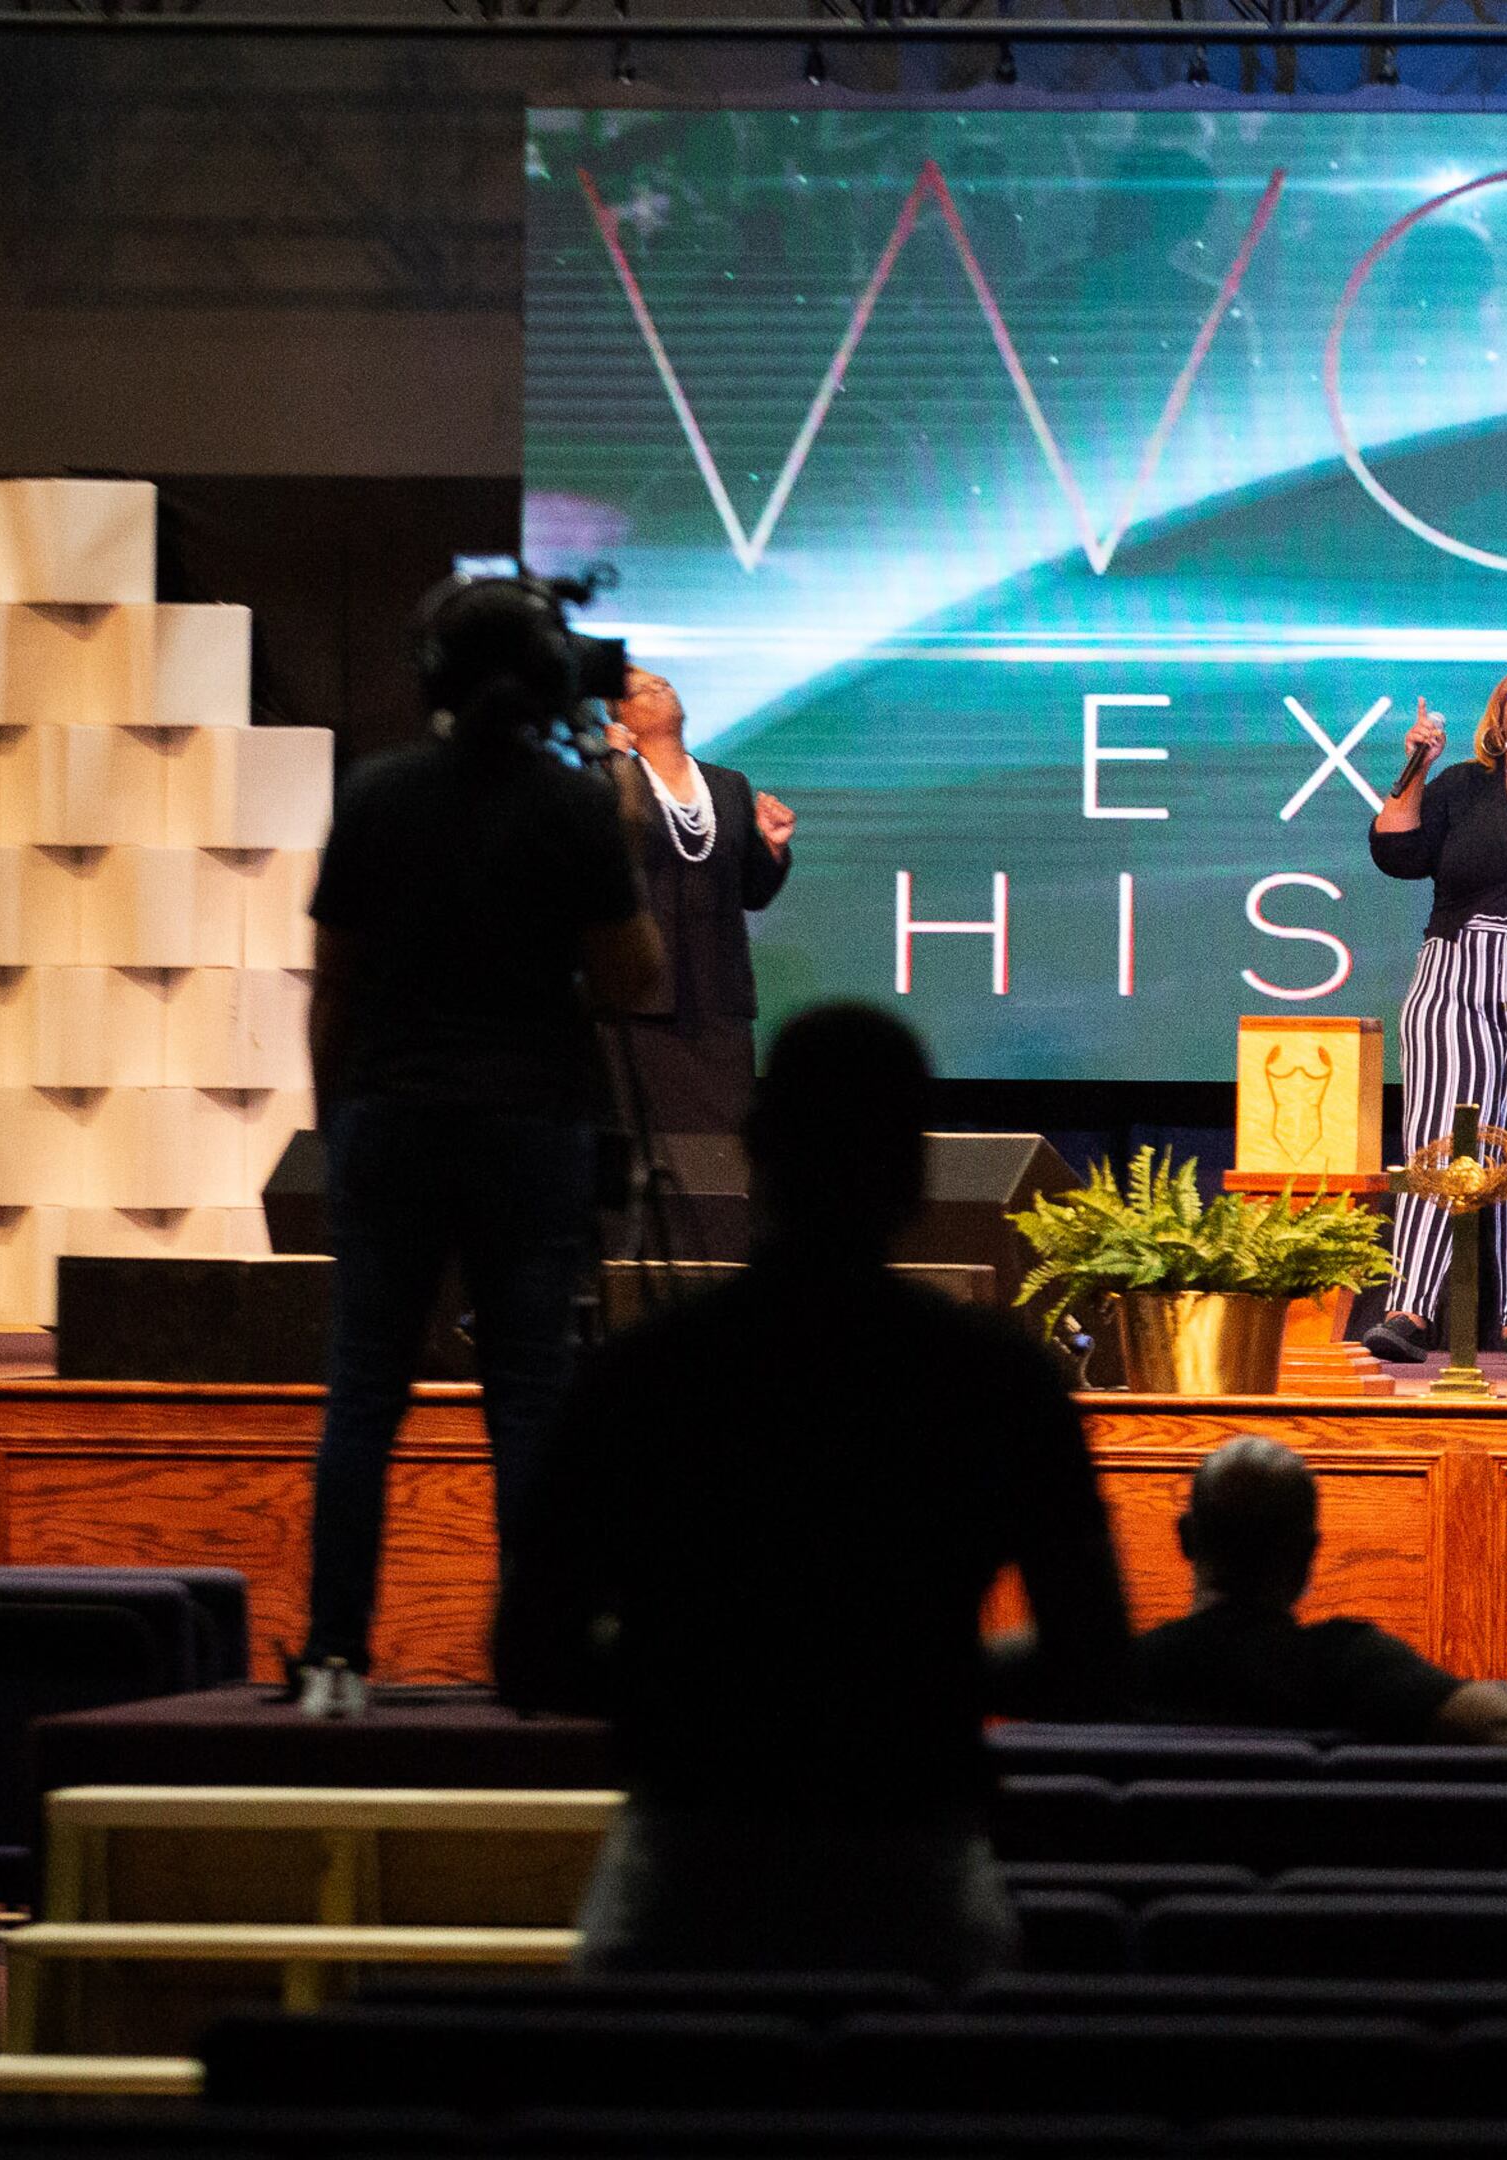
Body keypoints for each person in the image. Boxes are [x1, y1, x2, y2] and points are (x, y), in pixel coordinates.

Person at [497, 1004, 1131, 1985]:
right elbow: (1092, 1656)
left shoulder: (646, 1371)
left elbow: (529, 1654)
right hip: (909, 1851)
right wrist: (917, 1673)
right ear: (917, 1171)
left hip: (689, 1856)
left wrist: (709, 1678)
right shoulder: (996, 1378)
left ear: (756, 1152)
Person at [294, 574, 668, 1715]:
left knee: (365, 1393)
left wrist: (337, 1127)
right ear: (551, 679)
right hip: (528, 1129)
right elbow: (634, 977)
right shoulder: (570, 807)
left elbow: (335, 985)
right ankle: (539, 1655)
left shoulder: (376, 795)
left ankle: (334, 1658)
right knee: (530, 1395)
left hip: (391, 1124)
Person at [1359, 666, 1507, 1366]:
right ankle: (1410, 1310)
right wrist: (1416, 767)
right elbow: (1396, 851)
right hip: (1459, 970)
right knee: (1442, 1139)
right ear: (1500, 713)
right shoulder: (1463, 785)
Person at [1133, 1436, 1507, 1740]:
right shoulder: (1348, 1664)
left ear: (1185, 1538)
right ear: (1310, 1549)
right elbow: (1504, 1723)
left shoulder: (1125, 1671)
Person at [598, 667, 795, 1139]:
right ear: (620, 718)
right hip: (644, 1003)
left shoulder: (727, 785)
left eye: (664, 682)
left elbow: (752, 892)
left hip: (718, 1002)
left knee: (725, 1147)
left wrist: (771, 848)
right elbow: (595, 866)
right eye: (641, 688)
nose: (660, 688)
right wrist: (609, 762)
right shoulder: (613, 781)